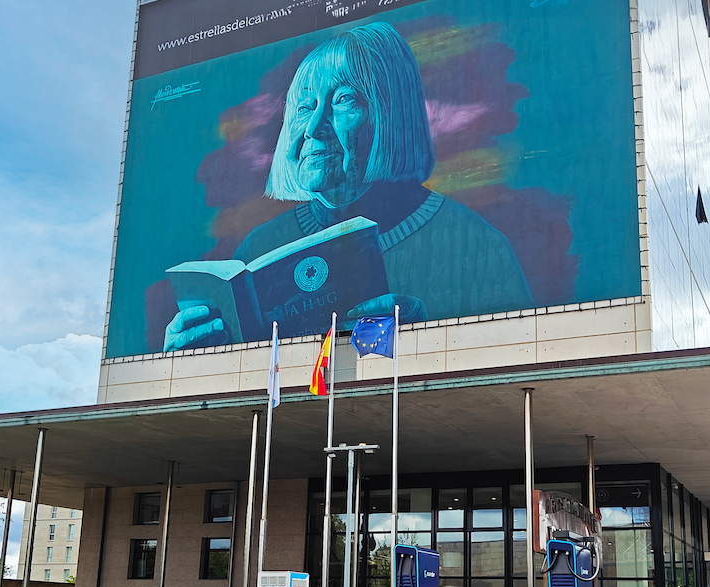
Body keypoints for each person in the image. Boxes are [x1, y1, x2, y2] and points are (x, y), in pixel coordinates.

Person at [164, 21, 531, 352]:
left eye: (343, 100)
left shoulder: (476, 245)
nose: (313, 128)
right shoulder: (258, 249)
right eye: (305, 107)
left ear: (392, 115)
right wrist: (189, 359)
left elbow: (519, 376)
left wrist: (427, 343)